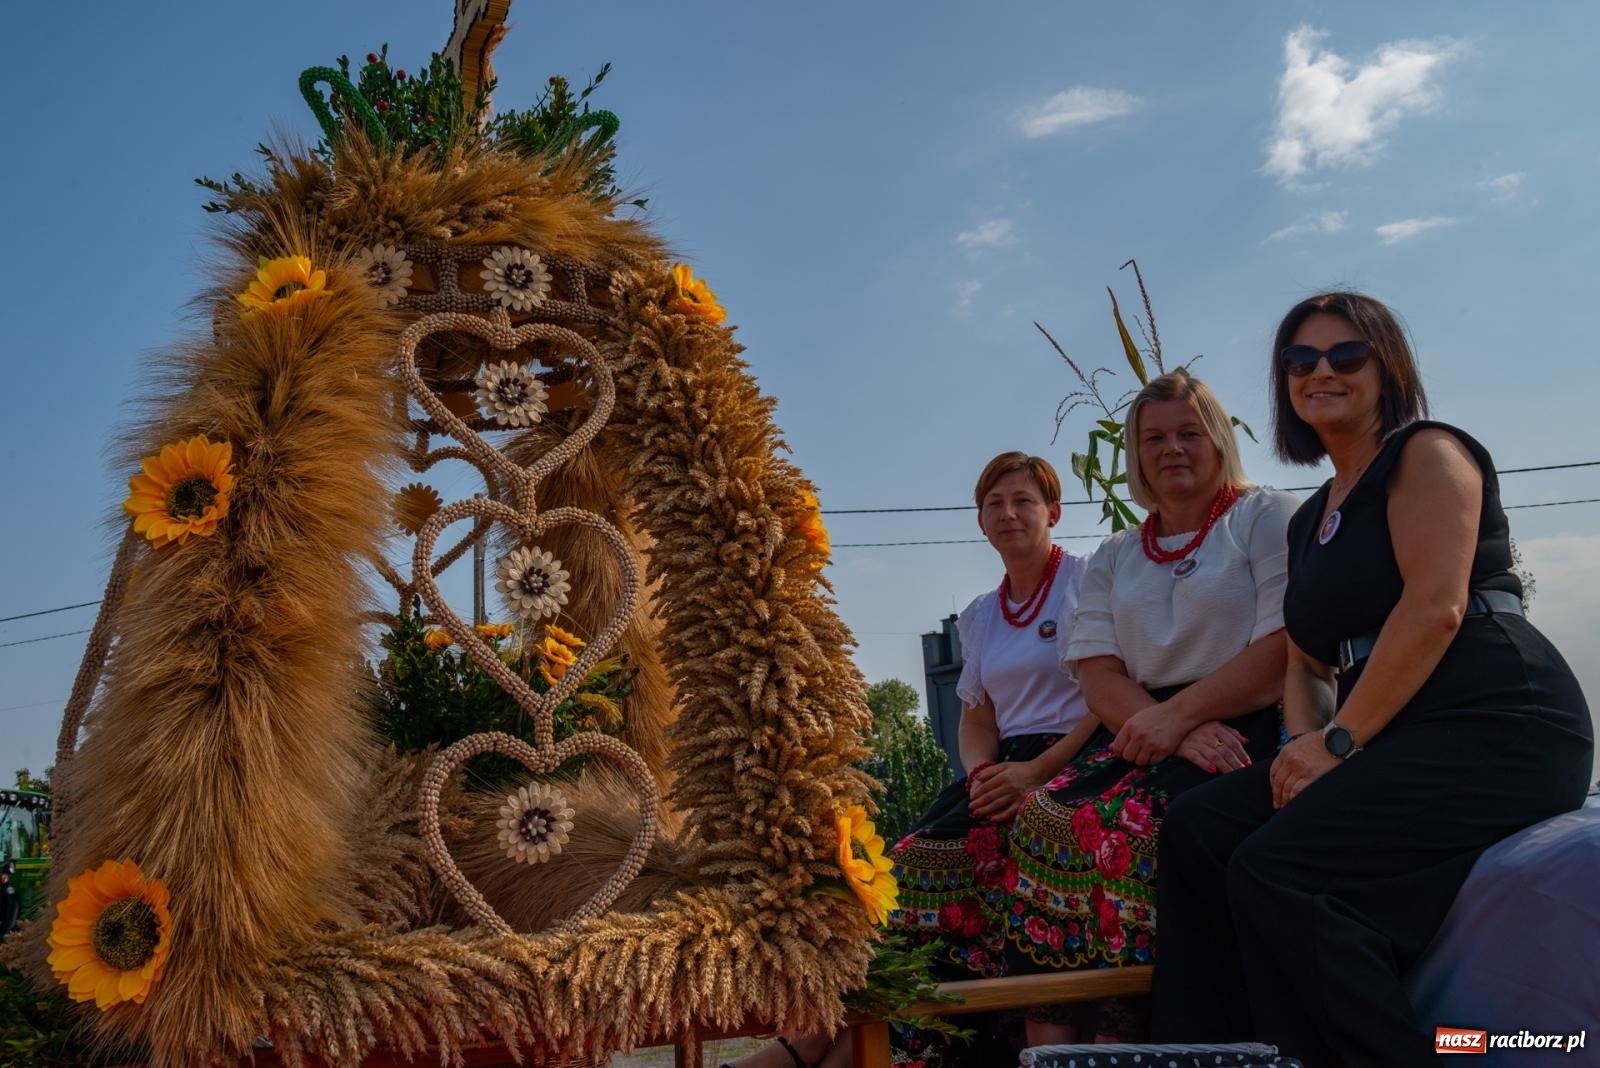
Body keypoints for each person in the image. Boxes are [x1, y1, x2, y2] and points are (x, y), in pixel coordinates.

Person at [1150, 292, 1593, 1066]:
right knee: (1199, 829)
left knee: (1276, 870)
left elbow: (1436, 608)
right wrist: (1302, 748)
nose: (1320, 371)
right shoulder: (1310, 516)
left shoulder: (1427, 453)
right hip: (1388, 734)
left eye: (1344, 355)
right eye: (1299, 360)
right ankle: (1225, 1051)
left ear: (1386, 367)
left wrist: (1341, 742)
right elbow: (1306, 660)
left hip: (1495, 720)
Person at [727, 451, 1094, 1068]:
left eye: (1023, 501)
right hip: (1002, 766)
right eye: (994, 504)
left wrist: (1037, 772)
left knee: (1019, 856)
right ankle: (828, 1039)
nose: (1009, 514)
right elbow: (977, 717)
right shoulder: (982, 614)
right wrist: (980, 774)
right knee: (901, 871)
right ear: (979, 521)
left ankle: (822, 1050)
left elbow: (1109, 694)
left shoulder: (1088, 580)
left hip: (1079, 757)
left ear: (1053, 511)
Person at [1002, 369, 1297, 1047]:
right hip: (1143, 729)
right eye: (1154, 437)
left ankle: (1128, 1044)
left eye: (1189, 433)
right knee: (1043, 819)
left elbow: (1286, 645)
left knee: (1128, 827)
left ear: (1218, 439)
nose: (1172, 449)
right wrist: (1165, 724)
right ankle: (1051, 1051)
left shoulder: (1265, 517)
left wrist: (1181, 717)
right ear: (1135, 454)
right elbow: (1099, 674)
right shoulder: (1115, 555)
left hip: (1248, 720)